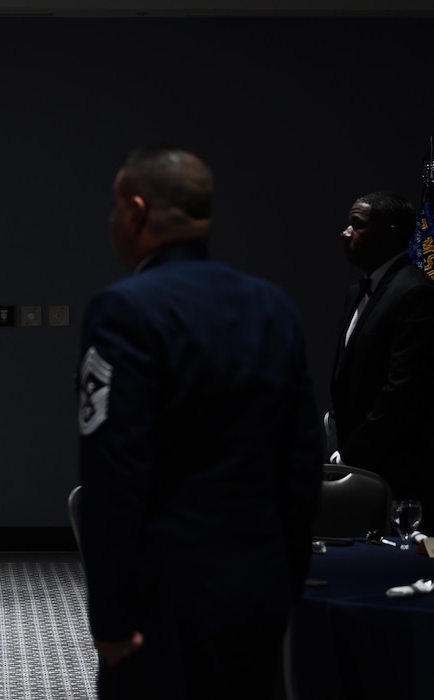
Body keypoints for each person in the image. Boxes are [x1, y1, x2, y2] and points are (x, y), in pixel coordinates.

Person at [74, 146, 322, 699]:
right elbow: (301, 461)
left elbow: (115, 474)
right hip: (258, 589)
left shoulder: (125, 310)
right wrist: (285, 580)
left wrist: (110, 616)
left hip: (166, 603)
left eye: (115, 209)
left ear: (136, 211)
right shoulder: (272, 306)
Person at [329, 191, 434, 509]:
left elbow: (403, 391)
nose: (345, 233)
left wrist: (352, 455)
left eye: (356, 225)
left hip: (394, 475)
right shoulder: (355, 293)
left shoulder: (415, 292)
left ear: (389, 234)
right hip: (358, 465)